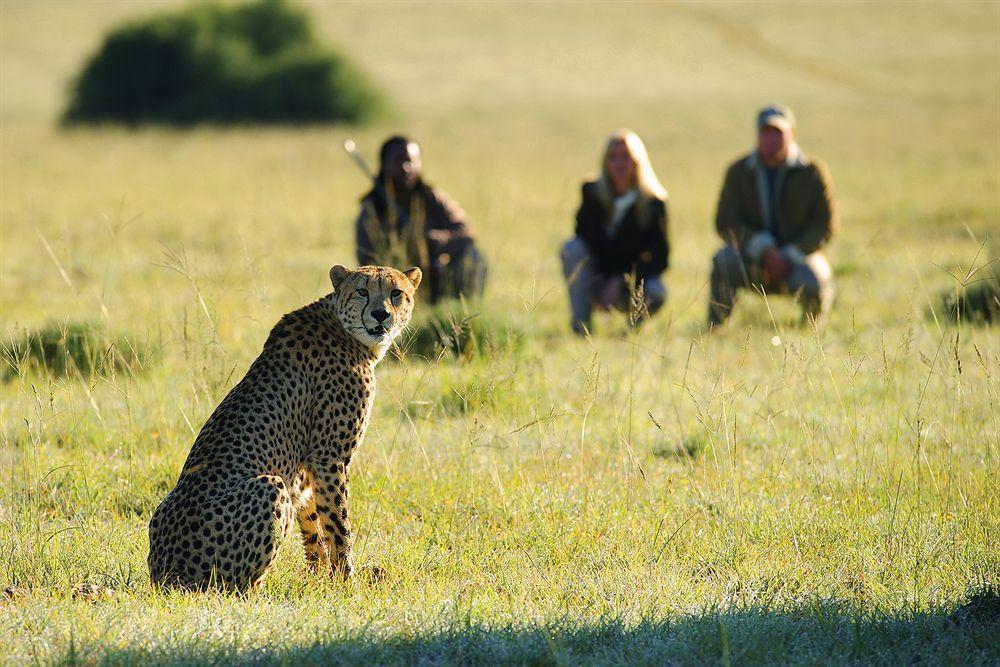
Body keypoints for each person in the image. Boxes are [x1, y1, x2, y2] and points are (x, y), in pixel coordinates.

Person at [709, 104, 837, 327]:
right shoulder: (739, 172)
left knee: (815, 277)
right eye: (766, 133)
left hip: (797, 259)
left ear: (792, 134)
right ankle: (716, 328)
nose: (771, 139)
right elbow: (725, 221)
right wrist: (762, 248)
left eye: (778, 132)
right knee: (724, 261)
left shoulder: (812, 172)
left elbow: (825, 226)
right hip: (752, 259)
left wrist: (790, 253)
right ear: (757, 135)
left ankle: (812, 330)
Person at [560, 129, 670, 335]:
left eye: (625, 157)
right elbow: (584, 237)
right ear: (605, 162)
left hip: (629, 288)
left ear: (637, 161)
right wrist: (604, 278)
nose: (618, 164)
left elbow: (661, 257)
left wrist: (621, 278)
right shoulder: (592, 193)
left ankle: (628, 334)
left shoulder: (653, 203)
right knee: (572, 248)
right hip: (595, 279)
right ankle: (581, 327)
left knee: (657, 290)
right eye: (613, 157)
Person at [355, 135, 487, 303]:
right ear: (384, 166)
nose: (406, 168)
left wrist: (436, 243)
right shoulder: (371, 210)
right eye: (398, 161)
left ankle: (463, 307)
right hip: (393, 290)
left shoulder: (431, 197)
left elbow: (466, 232)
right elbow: (367, 262)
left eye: (411, 161)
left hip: (439, 276)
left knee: (474, 256)